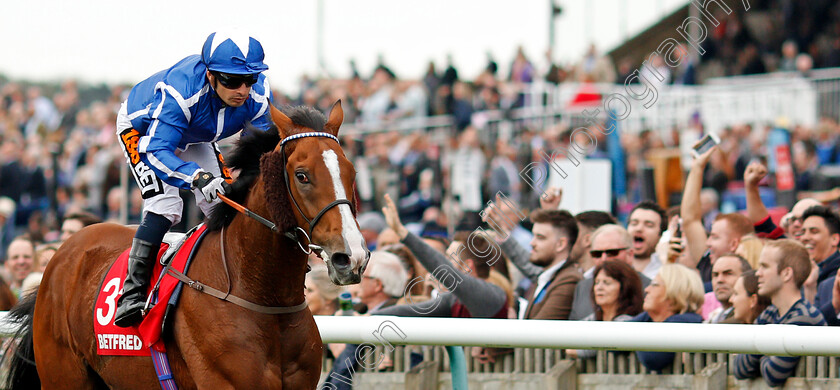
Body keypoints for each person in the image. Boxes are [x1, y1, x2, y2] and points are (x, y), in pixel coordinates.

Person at [112, 30, 273, 327]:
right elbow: (158, 149)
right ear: (211, 76)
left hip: (195, 133)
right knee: (166, 204)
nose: (242, 90)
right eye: (232, 81)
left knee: (223, 202)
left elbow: (259, 154)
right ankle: (131, 294)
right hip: (146, 132)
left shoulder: (259, 94)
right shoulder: (181, 91)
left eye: (249, 80)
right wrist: (196, 176)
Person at [734, 239, 826, 387]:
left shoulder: (804, 317)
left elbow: (773, 374)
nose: (758, 273)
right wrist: (767, 351)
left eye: (764, 266)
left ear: (786, 274)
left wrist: (759, 346)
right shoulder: (769, 313)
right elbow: (739, 368)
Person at [630, 264, 705, 372]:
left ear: (674, 292)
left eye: (655, 285)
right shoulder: (655, 319)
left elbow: (652, 357)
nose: (647, 289)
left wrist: (633, 334)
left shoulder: (686, 322)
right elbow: (614, 340)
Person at [569, 224, 650, 320]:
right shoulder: (582, 287)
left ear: (630, 254)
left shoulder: (648, 288)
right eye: (597, 254)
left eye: (612, 252)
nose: (604, 259)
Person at [567, 260, 644, 359]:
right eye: (596, 282)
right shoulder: (594, 318)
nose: (599, 287)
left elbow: (602, 344)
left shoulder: (628, 321)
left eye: (607, 283)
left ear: (625, 288)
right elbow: (571, 334)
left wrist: (576, 350)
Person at [702, 254, 752, 323]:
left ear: (745, 278)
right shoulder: (714, 317)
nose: (719, 280)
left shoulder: (748, 319)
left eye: (728, 274)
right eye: (715, 275)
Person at [627, 201, 667, 279]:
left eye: (649, 225)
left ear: (661, 234)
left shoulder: (666, 269)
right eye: (634, 223)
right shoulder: (614, 263)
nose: (639, 229)